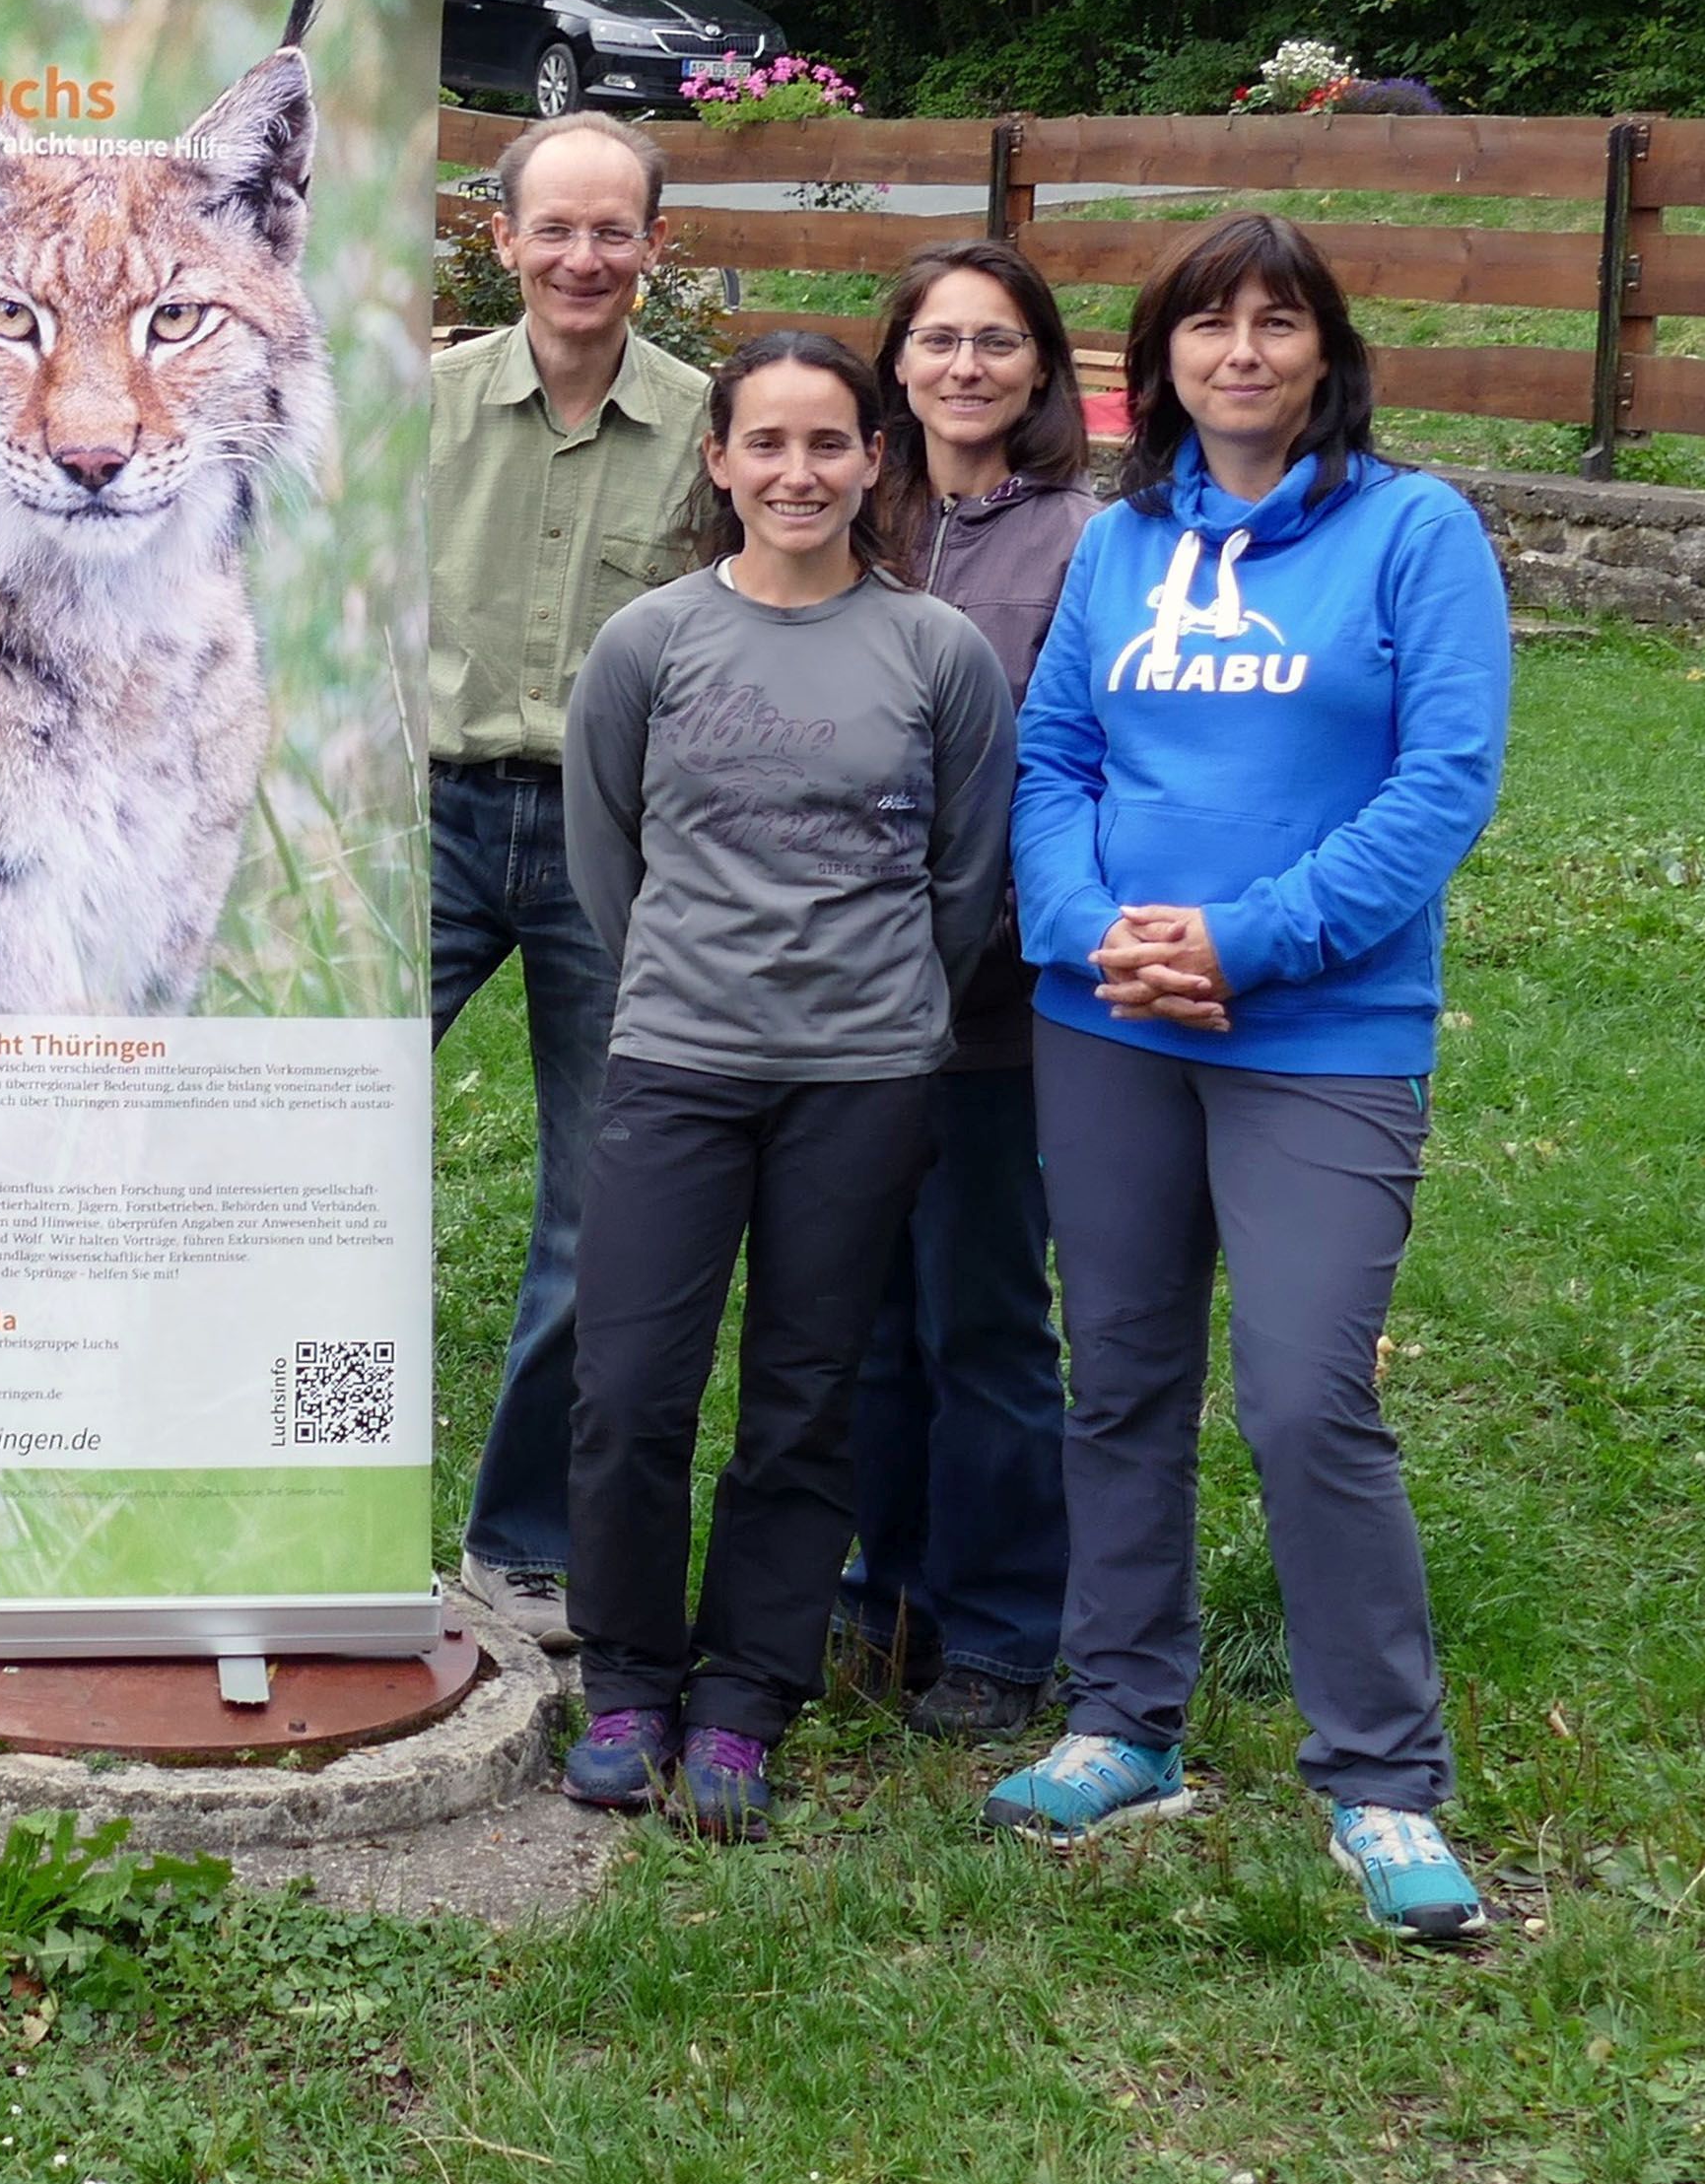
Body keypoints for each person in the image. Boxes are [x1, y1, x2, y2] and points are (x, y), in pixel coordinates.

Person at [980, 216, 1512, 1945]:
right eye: (1210, 326)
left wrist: (1248, 939)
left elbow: (1442, 786)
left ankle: (1382, 1776)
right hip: (1110, 1020)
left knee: (1303, 1397)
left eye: (1278, 324)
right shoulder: (1128, 542)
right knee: (1121, 1375)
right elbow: (1054, 752)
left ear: (1326, 351)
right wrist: (1078, 927)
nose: (1244, 354)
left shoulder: (1415, 533)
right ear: (1163, 364)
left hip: (1321, 1035)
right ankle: (1125, 1718)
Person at [553, 332, 1014, 1841]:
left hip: (863, 1075)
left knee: (804, 1399)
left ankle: (748, 1694)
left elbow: (964, 875)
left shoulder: (936, 651)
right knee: (629, 1389)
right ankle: (627, 1678)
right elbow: (606, 856)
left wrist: (871, 1008)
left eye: (830, 444)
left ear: (876, 459)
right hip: (680, 1061)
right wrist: (698, 982)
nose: (799, 473)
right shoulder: (651, 643)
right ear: (719, 460)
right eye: (768, 444)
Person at [426, 110, 713, 1653]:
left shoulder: (713, 430)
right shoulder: (421, 408)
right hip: (429, 819)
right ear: (504, 239)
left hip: (625, 845)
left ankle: (522, 1539)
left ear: (653, 250)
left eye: (615, 231)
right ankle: (249, 1479)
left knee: (605, 1204)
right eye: (557, 228)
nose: (584, 257)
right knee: (296, 1126)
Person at [830, 246, 1100, 1740]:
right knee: (862, 1314)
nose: (965, 366)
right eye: (937, 338)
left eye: (998, 341)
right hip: (833, 997)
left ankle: (1003, 1626)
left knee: (984, 1317)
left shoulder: (1084, 541)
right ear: (900, 361)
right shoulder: (854, 513)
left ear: (1042, 368)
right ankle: (886, 1593)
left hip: (991, 1001)